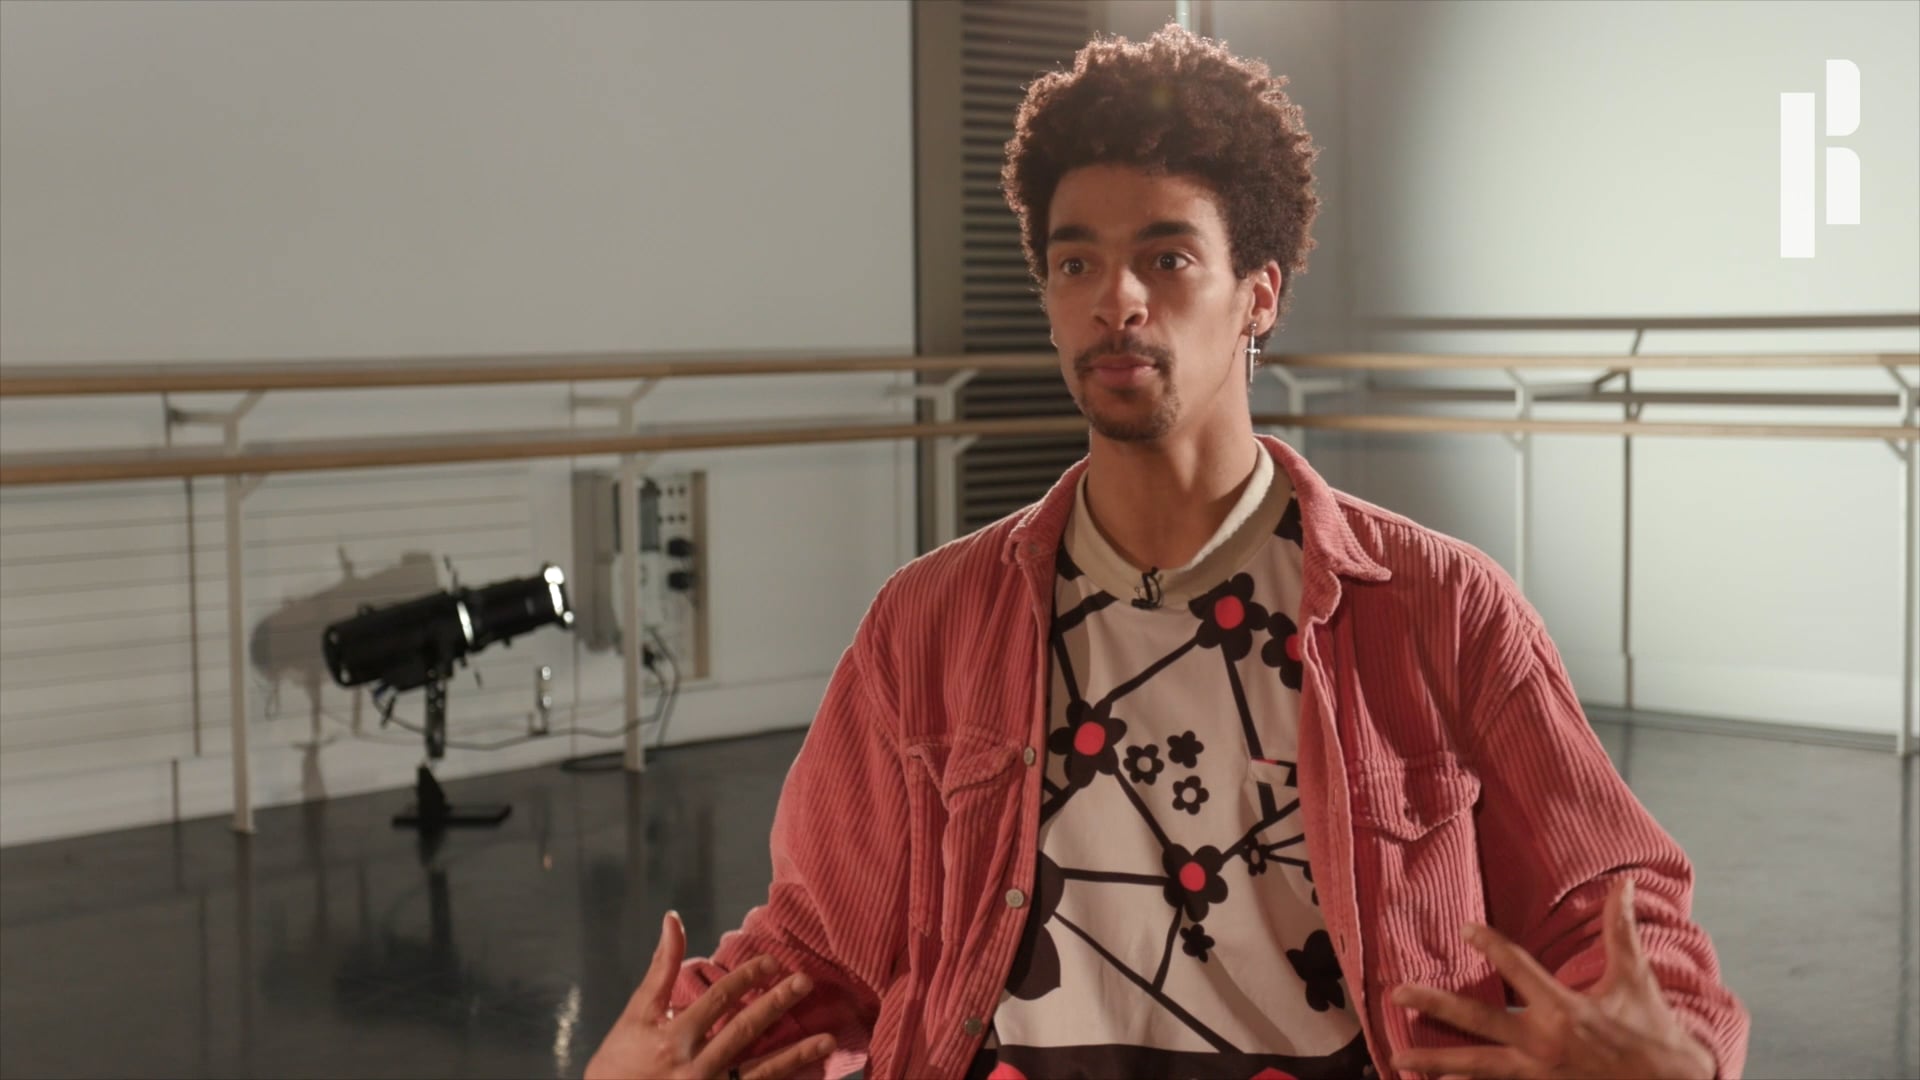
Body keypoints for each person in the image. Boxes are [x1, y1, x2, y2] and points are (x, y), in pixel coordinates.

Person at [587, 24, 1749, 1080]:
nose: (1117, 300)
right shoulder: (928, 624)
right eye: (1077, 262)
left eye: (1168, 258)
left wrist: (1675, 1055)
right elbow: (819, 946)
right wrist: (671, 1054)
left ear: (1259, 296)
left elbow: (1619, 913)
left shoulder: (1440, 609)